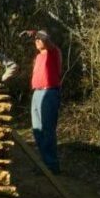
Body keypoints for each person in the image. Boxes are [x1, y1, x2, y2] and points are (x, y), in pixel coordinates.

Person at [22, 29, 62, 174]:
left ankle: (51, 164)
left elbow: (47, 40)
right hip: (37, 92)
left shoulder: (53, 52)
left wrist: (35, 33)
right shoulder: (38, 56)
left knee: (47, 129)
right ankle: (44, 163)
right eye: (35, 40)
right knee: (37, 129)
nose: (37, 41)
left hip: (49, 92)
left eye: (39, 39)